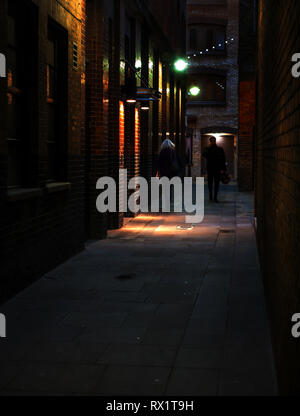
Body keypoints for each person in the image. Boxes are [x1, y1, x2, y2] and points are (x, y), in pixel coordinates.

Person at [203, 136, 226, 203]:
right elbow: (204, 155)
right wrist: (208, 148)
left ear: (215, 141)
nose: (212, 142)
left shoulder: (220, 149)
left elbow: (223, 159)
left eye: (213, 140)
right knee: (210, 183)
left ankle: (215, 197)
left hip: (217, 169)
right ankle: (210, 197)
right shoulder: (207, 149)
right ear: (210, 141)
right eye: (211, 141)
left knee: (216, 183)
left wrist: (223, 169)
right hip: (210, 168)